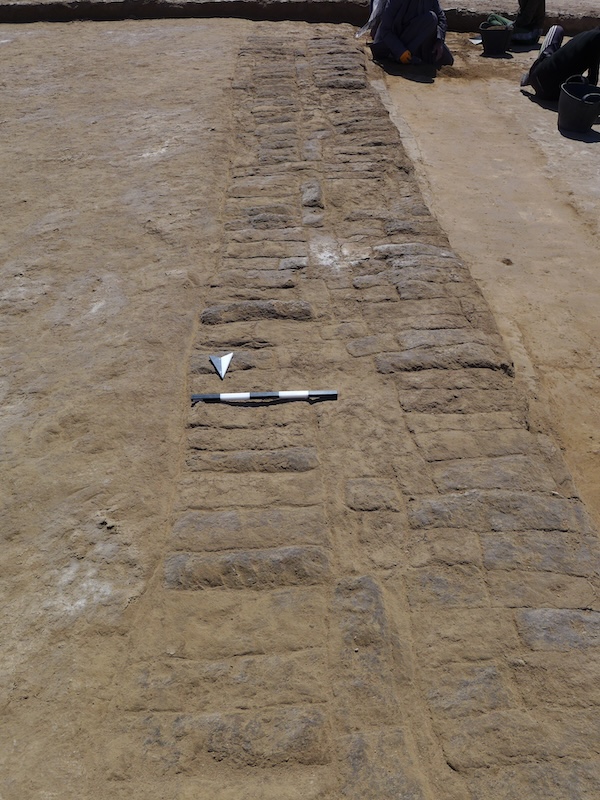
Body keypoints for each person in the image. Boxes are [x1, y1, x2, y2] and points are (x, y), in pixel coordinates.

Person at [521, 25, 600, 101]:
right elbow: (593, 80)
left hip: (537, 76)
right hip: (553, 94)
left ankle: (532, 74)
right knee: (581, 82)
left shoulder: (589, 36)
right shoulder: (596, 40)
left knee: (557, 29)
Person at [367, 0, 454, 68]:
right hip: (396, 39)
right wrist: (400, 51)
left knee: (446, 59)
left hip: (419, 34)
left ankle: (414, 54)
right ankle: (398, 56)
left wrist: (439, 41)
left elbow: (441, 17)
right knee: (431, 19)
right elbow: (385, 29)